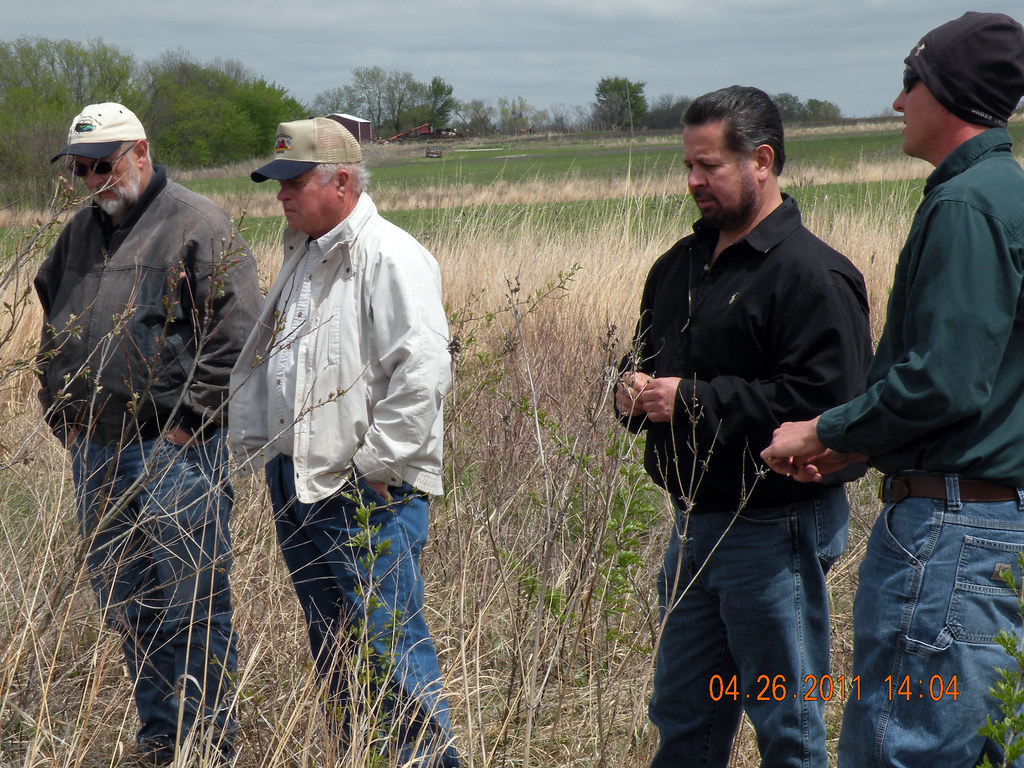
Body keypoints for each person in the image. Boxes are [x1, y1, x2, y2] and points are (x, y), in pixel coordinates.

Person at [760, 12, 1024, 767]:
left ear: (950, 94)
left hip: (952, 536)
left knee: (905, 746)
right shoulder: (1005, 194)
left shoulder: (967, 204)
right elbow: (985, 381)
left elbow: (944, 381)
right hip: (989, 525)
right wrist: (859, 449)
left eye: (913, 81)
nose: (900, 100)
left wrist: (827, 431)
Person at [616, 86, 872, 767]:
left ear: (762, 160)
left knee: (786, 724)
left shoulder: (813, 276)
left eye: (709, 165)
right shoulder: (678, 268)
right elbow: (637, 364)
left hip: (776, 527)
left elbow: (835, 408)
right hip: (692, 523)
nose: (693, 181)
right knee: (682, 718)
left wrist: (693, 401)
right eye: (688, 166)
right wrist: (629, 392)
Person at [35, 102, 261, 764]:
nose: (94, 180)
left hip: (176, 452)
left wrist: (187, 431)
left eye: (103, 164)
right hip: (97, 453)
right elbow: (52, 326)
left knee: (193, 603)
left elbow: (237, 334)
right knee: (129, 603)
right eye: (81, 169)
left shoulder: (198, 224)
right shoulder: (78, 235)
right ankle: (161, 738)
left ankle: (210, 744)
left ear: (140, 152)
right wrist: (64, 418)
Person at [229, 117, 459, 766]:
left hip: (362, 491)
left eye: (293, 181)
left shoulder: (390, 256)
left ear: (342, 182)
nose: (281, 194)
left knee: (390, 652)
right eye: (276, 182)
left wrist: (378, 466)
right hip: (299, 483)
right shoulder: (302, 254)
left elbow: (424, 369)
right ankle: (360, 756)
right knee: (334, 651)